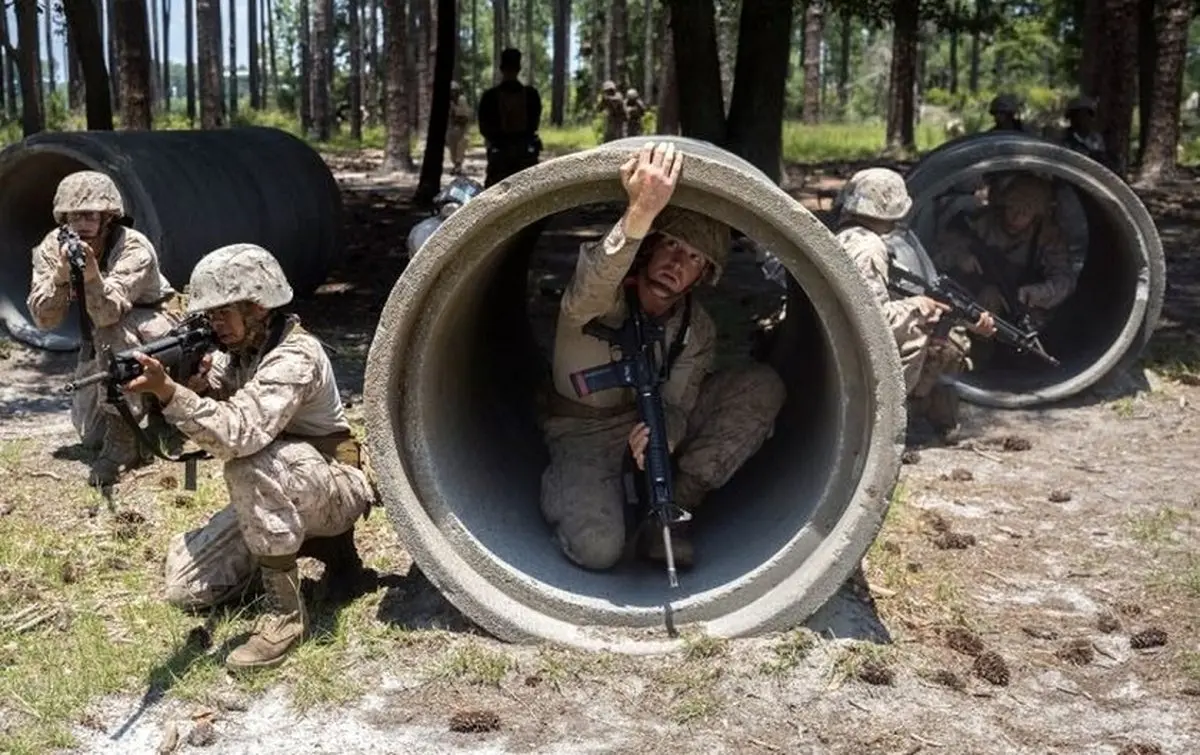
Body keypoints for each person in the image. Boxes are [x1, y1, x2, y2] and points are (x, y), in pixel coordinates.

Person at [123, 243, 376, 672]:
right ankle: (308, 553)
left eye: (223, 312)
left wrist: (170, 392)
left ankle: (285, 615)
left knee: (247, 461)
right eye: (210, 315)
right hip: (291, 485)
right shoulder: (243, 352)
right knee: (186, 589)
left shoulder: (297, 356)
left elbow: (238, 434)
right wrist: (188, 381)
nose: (214, 324)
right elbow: (217, 385)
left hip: (335, 485)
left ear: (258, 306)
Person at [539, 141, 787, 570]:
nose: (677, 263)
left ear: (702, 276)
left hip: (647, 424)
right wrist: (639, 214)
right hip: (583, 434)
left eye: (693, 259)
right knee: (598, 549)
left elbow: (677, 405)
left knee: (760, 387)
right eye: (671, 245)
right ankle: (567, 488)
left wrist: (665, 436)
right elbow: (592, 285)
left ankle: (669, 519)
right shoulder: (602, 296)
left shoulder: (696, 327)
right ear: (650, 247)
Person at [26, 170, 179, 486]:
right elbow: (44, 320)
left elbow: (110, 313)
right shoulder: (52, 247)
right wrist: (60, 276)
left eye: (90, 215)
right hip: (103, 334)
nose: (82, 223)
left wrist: (93, 276)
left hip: (156, 330)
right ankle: (140, 409)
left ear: (107, 217)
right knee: (90, 435)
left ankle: (125, 443)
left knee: (111, 331)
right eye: (74, 215)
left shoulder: (133, 246)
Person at [834, 168, 996, 438]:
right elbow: (871, 319)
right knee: (945, 345)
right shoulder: (870, 248)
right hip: (853, 346)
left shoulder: (846, 235)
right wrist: (919, 307)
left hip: (839, 338)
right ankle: (892, 418)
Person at [934, 173, 1075, 333]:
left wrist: (1037, 293)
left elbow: (1064, 281)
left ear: (1037, 216)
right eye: (1012, 207)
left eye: (1025, 212)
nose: (1016, 217)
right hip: (971, 299)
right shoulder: (980, 222)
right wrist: (959, 258)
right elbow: (937, 254)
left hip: (1022, 307)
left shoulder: (1048, 238)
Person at [477, 48, 543, 187]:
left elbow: (484, 128)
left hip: (502, 155)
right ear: (519, 68)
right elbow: (534, 123)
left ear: (501, 68)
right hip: (522, 153)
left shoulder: (490, 97)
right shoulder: (531, 95)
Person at [1062, 95, 1111, 170]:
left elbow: (1102, 162)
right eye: (1075, 116)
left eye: (1084, 115)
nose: (1079, 119)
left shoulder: (1096, 139)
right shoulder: (1064, 138)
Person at [446, 80, 472, 175]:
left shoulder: (461, 100)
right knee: (452, 150)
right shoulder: (449, 102)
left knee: (460, 148)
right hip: (452, 128)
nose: (452, 93)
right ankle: (456, 166)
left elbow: (464, 115)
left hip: (461, 128)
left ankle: (458, 166)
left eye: (454, 91)